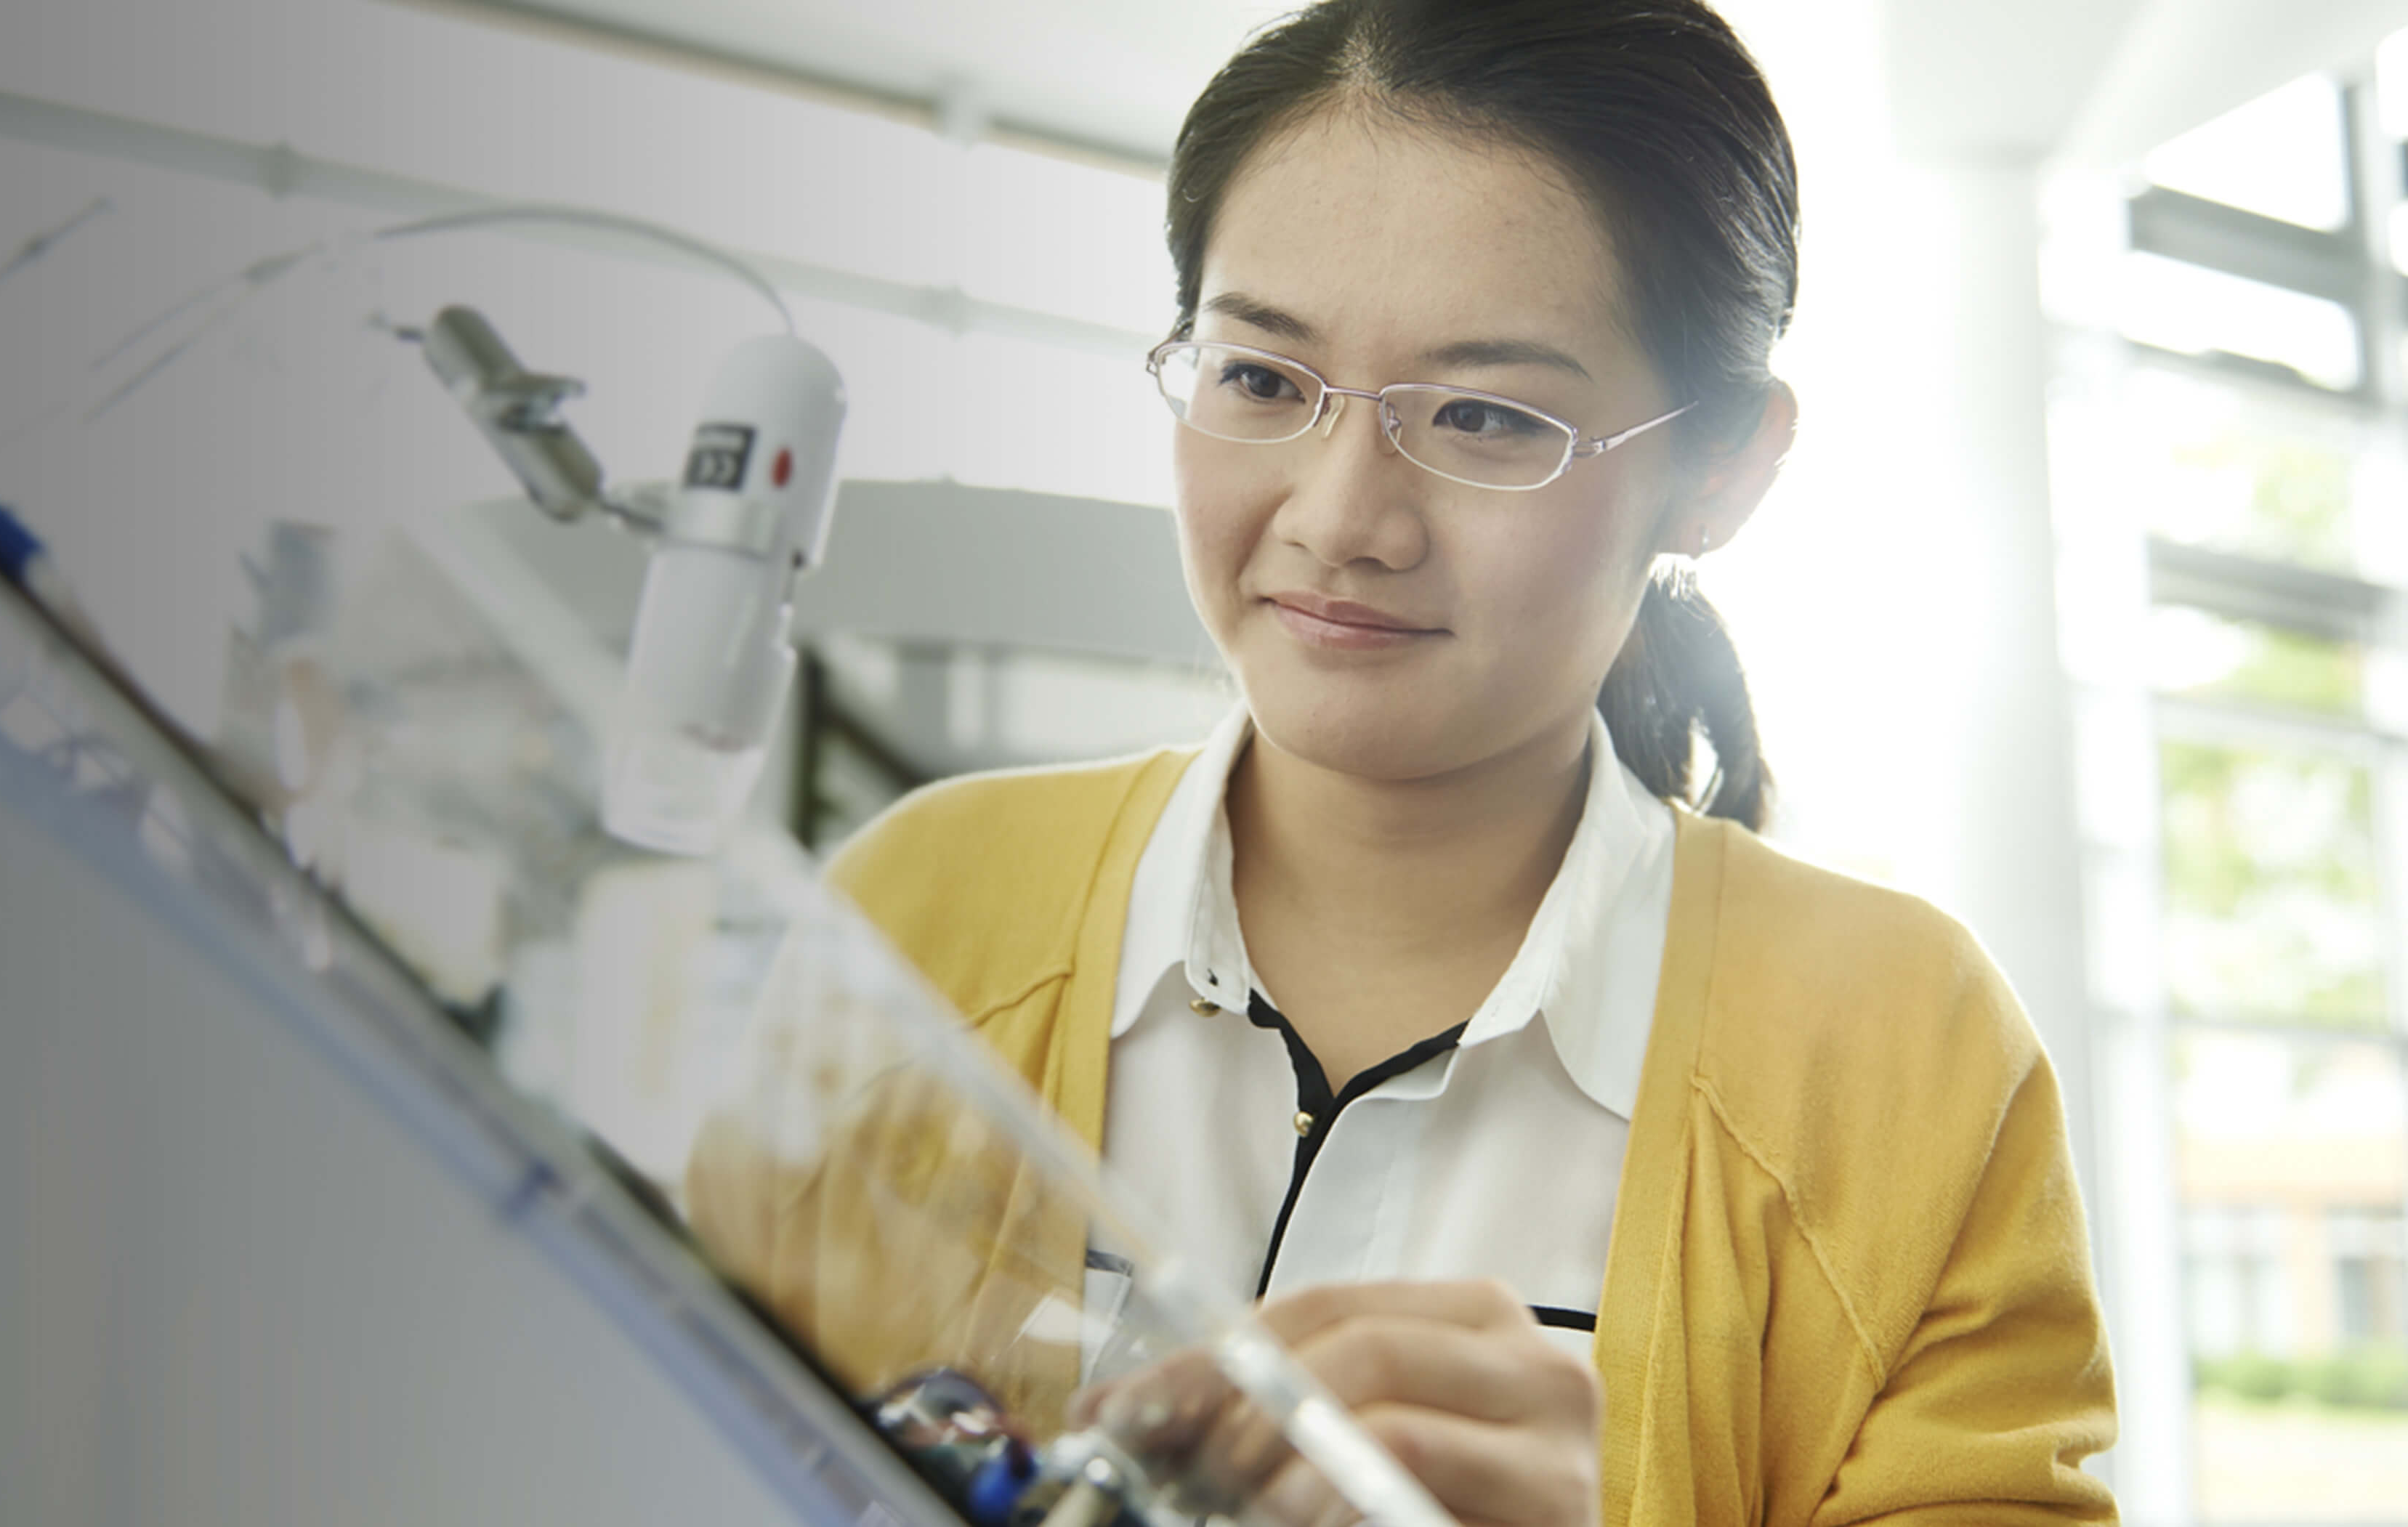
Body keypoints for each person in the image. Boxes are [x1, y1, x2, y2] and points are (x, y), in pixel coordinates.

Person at [695, 1, 2118, 1521]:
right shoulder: (928, 913)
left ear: (1719, 470)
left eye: (1488, 415)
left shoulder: (1902, 1054)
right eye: (1260, 377)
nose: (1340, 515)